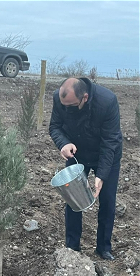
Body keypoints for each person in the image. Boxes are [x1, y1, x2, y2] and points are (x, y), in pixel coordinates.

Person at [49, 77, 122, 260]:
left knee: (107, 201)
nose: (67, 108)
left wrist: (102, 175)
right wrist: (63, 144)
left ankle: (103, 247)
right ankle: (72, 246)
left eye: (72, 106)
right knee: (73, 200)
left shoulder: (107, 102)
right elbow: (55, 127)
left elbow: (110, 142)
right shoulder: (60, 99)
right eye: (64, 104)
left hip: (107, 155)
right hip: (76, 153)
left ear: (85, 97)